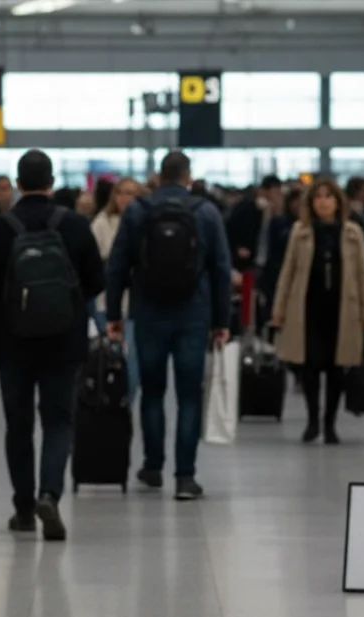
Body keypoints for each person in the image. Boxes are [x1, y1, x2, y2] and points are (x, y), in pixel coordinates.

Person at [0, 149, 105, 540]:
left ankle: (23, 509)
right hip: (64, 341)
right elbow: (96, 282)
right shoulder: (75, 225)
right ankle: (50, 494)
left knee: (19, 425)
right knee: (59, 421)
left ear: (19, 183)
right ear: (51, 182)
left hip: (12, 343)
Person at [105, 151, 232, 500]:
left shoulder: (137, 211)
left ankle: (152, 466)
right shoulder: (205, 212)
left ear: (159, 177)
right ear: (188, 177)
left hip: (148, 313)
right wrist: (223, 321)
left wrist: (114, 314)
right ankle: (186, 477)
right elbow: (221, 269)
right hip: (194, 314)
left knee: (152, 392)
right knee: (190, 395)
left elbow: (117, 266)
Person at [269, 179, 364, 445]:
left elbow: (363, 274)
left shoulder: (352, 233)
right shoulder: (300, 232)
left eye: (329, 197)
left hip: (342, 309)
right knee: (310, 367)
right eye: (318, 197)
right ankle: (312, 420)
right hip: (308, 308)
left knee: (337, 367)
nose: (323, 202)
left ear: (338, 202)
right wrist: (279, 309)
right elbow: (288, 272)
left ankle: (330, 424)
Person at [90, 176, 142, 399]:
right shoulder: (101, 222)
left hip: (135, 301)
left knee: (133, 360)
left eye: (131, 193)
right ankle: (109, 400)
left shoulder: (143, 220)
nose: (125, 198)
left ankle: (125, 401)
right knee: (111, 356)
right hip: (107, 301)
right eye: (121, 192)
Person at [226, 174, 282, 272]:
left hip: (267, 263)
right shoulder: (246, 208)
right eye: (275, 192)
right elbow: (232, 228)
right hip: (246, 261)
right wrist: (238, 247)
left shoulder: (277, 213)